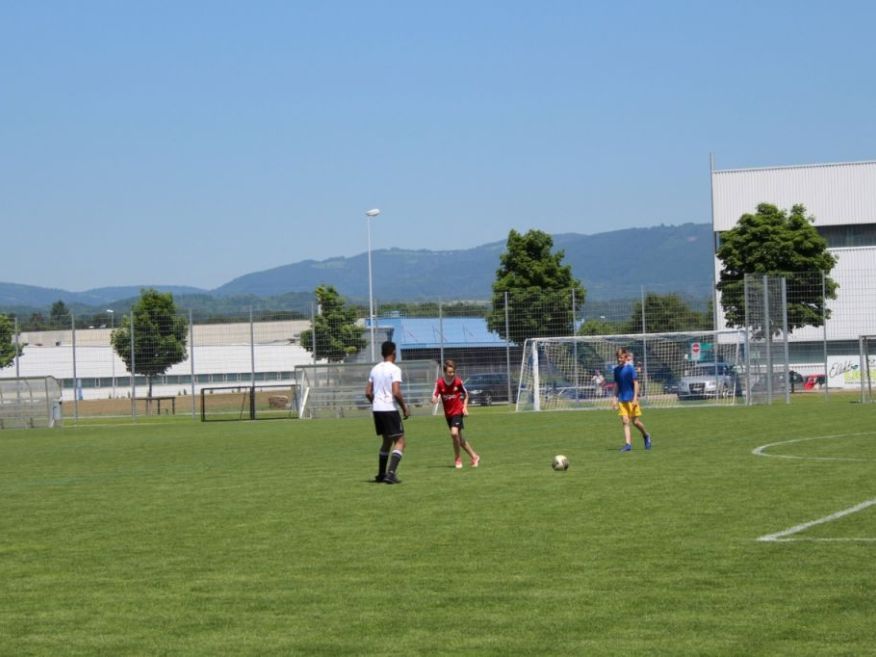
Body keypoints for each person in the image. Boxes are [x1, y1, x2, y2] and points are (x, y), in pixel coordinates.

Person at [365, 341, 410, 484]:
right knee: (400, 442)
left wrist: (376, 403)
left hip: (377, 409)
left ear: (382, 353)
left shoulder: (375, 369)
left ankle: (381, 474)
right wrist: (404, 407)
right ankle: (391, 474)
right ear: (394, 353)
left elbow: (368, 392)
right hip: (389, 409)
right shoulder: (395, 369)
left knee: (386, 441)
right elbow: (396, 392)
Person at [431, 359, 480, 469]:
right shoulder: (439, 383)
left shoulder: (458, 382)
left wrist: (465, 408)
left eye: (453, 371)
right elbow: (435, 394)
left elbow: (466, 394)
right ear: (445, 372)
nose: (452, 374)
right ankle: (475, 456)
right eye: (449, 372)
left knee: (454, 433)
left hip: (457, 412)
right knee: (459, 438)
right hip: (448, 414)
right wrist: (434, 398)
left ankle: (457, 459)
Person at [612, 347, 652, 452]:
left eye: (621, 357)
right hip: (622, 400)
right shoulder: (616, 370)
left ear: (626, 357)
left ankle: (646, 435)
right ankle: (628, 445)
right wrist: (614, 398)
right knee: (625, 421)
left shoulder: (630, 369)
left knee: (635, 422)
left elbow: (636, 383)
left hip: (631, 399)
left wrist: (635, 398)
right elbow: (616, 385)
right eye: (618, 357)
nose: (619, 359)